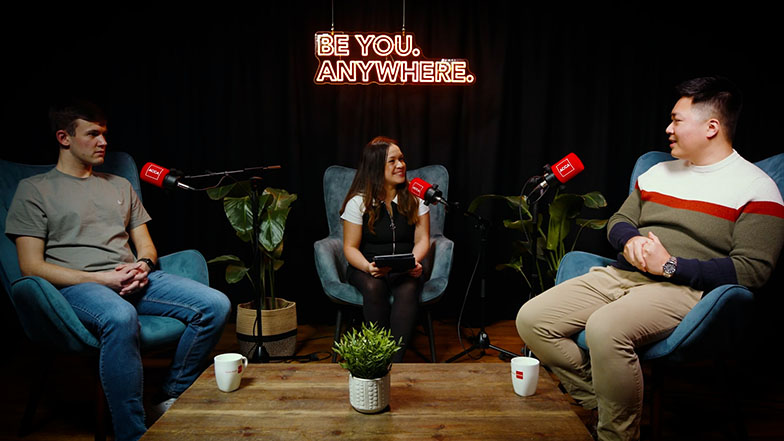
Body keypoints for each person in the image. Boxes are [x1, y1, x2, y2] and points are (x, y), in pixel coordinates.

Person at [516, 77, 784, 441]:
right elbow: (620, 220)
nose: (668, 129)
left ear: (711, 127)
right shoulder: (658, 172)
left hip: (683, 290)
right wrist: (629, 241)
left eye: (676, 120)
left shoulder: (756, 187)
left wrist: (671, 265)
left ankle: (616, 434)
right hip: (622, 275)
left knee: (605, 329)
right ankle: (605, 402)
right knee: (532, 319)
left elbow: (754, 270)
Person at [5, 100, 231, 441]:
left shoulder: (119, 185)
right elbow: (31, 266)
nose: (103, 142)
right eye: (92, 134)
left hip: (133, 279)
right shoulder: (35, 189)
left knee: (215, 305)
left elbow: (147, 247)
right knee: (121, 316)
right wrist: (102, 279)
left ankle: (170, 395)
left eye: (105, 134)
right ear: (64, 137)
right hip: (77, 287)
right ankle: (132, 433)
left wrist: (143, 266)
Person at [340, 136, 431, 362]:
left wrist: (414, 261)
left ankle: (394, 363)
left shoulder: (416, 199)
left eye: (402, 159)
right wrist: (367, 267)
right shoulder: (358, 202)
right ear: (375, 167)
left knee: (409, 288)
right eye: (392, 161)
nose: (401, 165)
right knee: (374, 287)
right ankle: (378, 357)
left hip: (405, 266)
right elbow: (350, 248)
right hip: (367, 266)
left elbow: (423, 239)